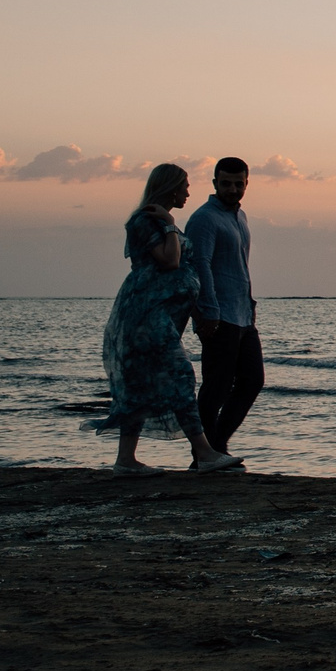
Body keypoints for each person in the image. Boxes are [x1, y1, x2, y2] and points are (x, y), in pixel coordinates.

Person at [99, 162, 242, 475]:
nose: (189, 191)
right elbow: (170, 261)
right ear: (171, 186)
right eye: (185, 185)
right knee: (179, 376)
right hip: (147, 314)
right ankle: (204, 453)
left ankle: (126, 459)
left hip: (161, 315)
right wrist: (168, 223)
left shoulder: (161, 221)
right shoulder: (146, 220)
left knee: (140, 384)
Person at [186, 155, 263, 454]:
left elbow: (239, 266)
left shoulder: (240, 218)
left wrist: (250, 303)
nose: (233, 189)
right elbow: (198, 265)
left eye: (239, 184)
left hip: (243, 314)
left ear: (246, 184)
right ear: (215, 183)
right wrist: (208, 311)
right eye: (226, 184)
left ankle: (216, 445)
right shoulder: (205, 218)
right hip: (218, 315)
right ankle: (204, 453)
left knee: (252, 381)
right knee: (216, 387)